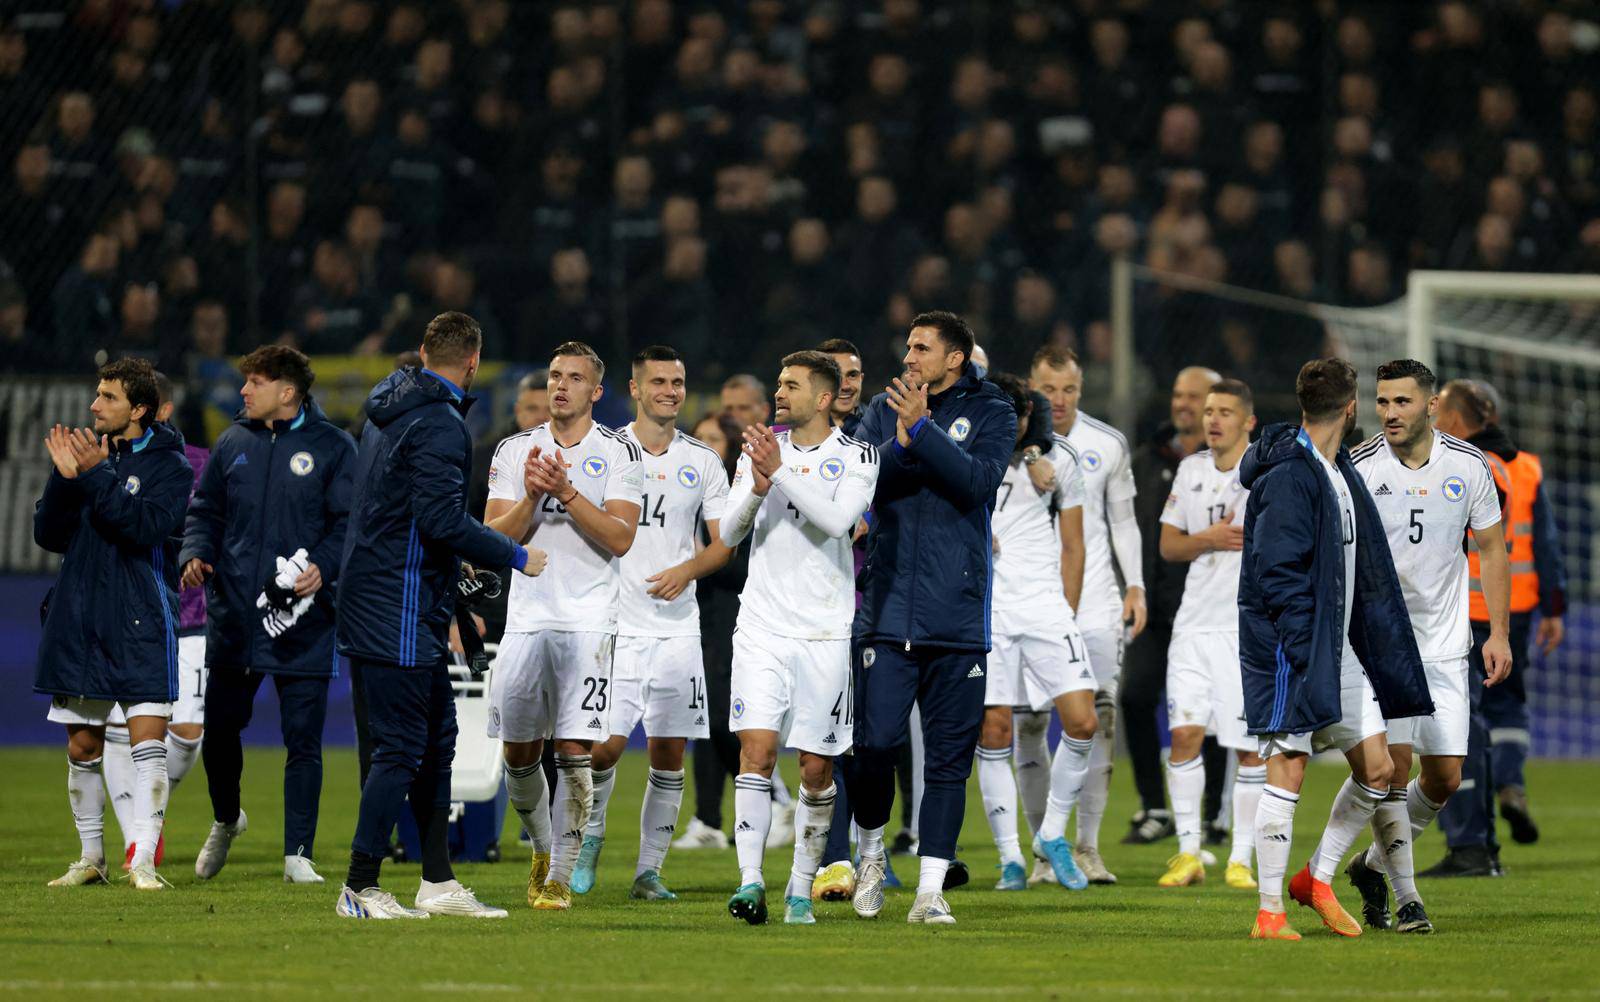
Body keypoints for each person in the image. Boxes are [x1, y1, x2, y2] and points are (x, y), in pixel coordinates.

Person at [335, 311, 545, 919]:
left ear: (425, 350)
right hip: (395, 603)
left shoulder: (388, 411)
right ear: (474, 361)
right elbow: (439, 521)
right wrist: (516, 554)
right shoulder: (441, 425)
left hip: (396, 595)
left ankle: (436, 881)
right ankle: (359, 885)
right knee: (401, 748)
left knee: (437, 741)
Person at [1236, 357, 1430, 942]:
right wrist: (1301, 648)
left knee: (1381, 768)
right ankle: (1269, 912)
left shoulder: (1334, 468)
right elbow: (1276, 572)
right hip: (1293, 649)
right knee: (1287, 768)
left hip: (1332, 647)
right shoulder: (1292, 474)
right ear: (1351, 408)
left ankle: (1315, 879)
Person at [849, 311, 1015, 925]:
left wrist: (925, 435)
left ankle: (928, 892)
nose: (909, 356)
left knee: (948, 760)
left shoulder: (994, 409)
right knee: (873, 748)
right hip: (888, 610)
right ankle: (870, 856)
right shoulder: (879, 407)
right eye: (908, 346)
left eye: (922, 348)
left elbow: (977, 483)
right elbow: (868, 480)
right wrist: (910, 436)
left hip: (957, 614)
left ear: (955, 358)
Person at [1342, 360, 1511, 933]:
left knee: (1444, 776)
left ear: (1431, 406)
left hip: (1445, 645)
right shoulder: (1359, 466)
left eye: (1402, 402)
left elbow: (1490, 549)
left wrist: (1501, 633)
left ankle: (1369, 865)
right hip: (1383, 643)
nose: (1389, 413)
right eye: (1383, 402)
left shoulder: (1468, 466)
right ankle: (1408, 897)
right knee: (1395, 766)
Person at [180, 346, 356, 885]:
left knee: (302, 738)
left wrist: (324, 567)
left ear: (288, 391)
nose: (243, 392)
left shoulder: (332, 447)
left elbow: (347, 523)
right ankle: (227, 819)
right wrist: (194, 551)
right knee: (221, 732)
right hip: (235, 617)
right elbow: (205, 510)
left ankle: (297, 854)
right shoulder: (233, 442)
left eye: (254, 382)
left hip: (303, 619)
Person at [718, 350, 879, 925]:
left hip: (823, 633)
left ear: (825, 397)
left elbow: (837, 522)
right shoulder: (761, 450)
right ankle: (751, 882)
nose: (779, 393)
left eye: (791, 385)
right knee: (755, 753)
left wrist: (778, 471)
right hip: (761, 625)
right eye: (778, 382)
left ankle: (799, 888)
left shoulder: (858, 456)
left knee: (816, 769)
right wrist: (759, 483)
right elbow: (729, 531)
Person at [485, 340, 643, 911]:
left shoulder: (620, 454)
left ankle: (559, 877)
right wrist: (532, 495)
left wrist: (567, 492)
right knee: (519, 753)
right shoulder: (513, 450)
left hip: (588, 620)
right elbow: (495, 539)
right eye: (555, 375)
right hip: (526, 620)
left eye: (575, 378)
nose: (561, 385)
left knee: (575, 747)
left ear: (596, 392)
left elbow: (621, 537)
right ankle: (542, 849)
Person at [571, 346, 732, 901]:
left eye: (678, 381)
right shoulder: (605, 452)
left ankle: (648, 871)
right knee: (605, 748)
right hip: (616, 624)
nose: (670, 390)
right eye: (659, 381)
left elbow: (724, 543)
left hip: (678, 629)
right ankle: (590, 838)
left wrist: (687, 569)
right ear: (635, 389)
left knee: (669, 752)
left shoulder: (703, 460)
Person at [35, 357, 192, 891]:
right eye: (96, 394)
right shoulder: (84, 456)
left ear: (139, 410)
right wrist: (63, 478)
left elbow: (144, 526)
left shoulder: (172, 466)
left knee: (149, 743)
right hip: (80, 618)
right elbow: (49, 535)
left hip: (141, 618)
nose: (94, 405)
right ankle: (91, 857)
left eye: (107, 397)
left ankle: (142, 860)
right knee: (82, 747)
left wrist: (95, 475)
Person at [1427, 379, 1566, 874]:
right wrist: (1554, 606)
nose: (1431, 417)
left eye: (1437, 410)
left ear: (1459, 421)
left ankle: (1471, 843)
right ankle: (1510, 788)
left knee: (1458, 726)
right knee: (1505, 708)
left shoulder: (1459, 467)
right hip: (1518, 609)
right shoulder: (1524, 466)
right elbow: (1545, 543)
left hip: (1464, 614)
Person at [976, 372, 1098, 892]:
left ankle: (1051, 834)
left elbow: (1074, 545)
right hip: (989, 613)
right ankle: (1009, 859)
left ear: (1028, 416)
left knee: (1083, 721)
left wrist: (1066, 611)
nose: (1012, 424)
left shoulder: (1059, 461)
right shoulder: (967, 457)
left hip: (1046, 608)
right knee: (994, 732)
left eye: (1020, 415)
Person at [1029, 345, 1146, 885]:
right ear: (1032, 386)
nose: (1058, 400)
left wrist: (1135, 585)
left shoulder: (1107, 444)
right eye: (1048, 389)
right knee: (1029, 724)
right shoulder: (1008, 441)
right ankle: (1039, 854)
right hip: (1029, 600)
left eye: (1069, 389)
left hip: (1097, 599)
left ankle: (1088, 847)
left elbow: (1123, 522)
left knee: (1099, 719)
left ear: (1081, 388)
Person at [1155, 378, 1265, 890]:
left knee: (1247, 748)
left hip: (1245, 628)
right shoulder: (1191, 469)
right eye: (1209, 412)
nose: (1213, 420)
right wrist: (1211, 539)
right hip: (1194, 625)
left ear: (1249, 422)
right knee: (1184, 734)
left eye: (1225, 412)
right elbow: (1169, 546)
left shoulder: (1264, 474)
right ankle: (1189, 854)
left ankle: (1241, 858)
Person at [102, 371, 209, 872]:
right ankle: (135, 840)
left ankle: (151, 816)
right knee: (114, 730)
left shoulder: (199, 464)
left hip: (193, 613)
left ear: (159, 410)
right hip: (126, 608)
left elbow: (215, 525)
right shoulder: (105, 459)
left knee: (187, 734)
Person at [1123, 365, 1220, 846]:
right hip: (1154, 613)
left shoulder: (1232, 465)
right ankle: (1154, 807)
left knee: (1217, 715)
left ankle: (1215, 814)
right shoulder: (1145, 460)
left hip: (1209, 612)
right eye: (1178, 395)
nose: (1183, 404)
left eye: (1194, 397)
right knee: (1135, 697)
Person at [677, 410, 748, 850]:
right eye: (698, 438)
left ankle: (771, 796)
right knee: (702, 722)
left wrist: (703, 560)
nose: (703, 446)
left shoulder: (741, 496)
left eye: (713, 439)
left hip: (733, 618)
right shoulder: (687, 492)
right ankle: (706, 820)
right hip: (694, 618)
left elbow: (745, 567)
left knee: (723, 722)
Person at [819, 337, 867, 434]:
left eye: (852, 375)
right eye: (834, 376)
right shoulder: (793, 429)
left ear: (861, 379)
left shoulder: (882, 424)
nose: (845, 386)